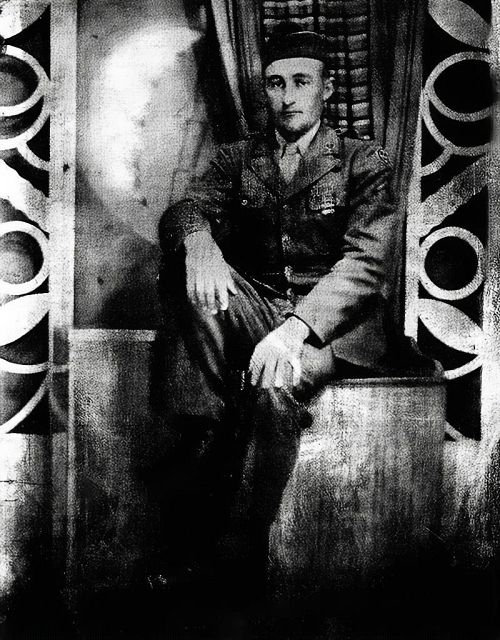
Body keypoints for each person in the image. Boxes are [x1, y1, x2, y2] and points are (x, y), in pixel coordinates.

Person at [155, 26, 402, 622]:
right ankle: (213, 414)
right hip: (257, 308)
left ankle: (236, 557)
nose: (287, 97)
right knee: (187, 270)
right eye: (275, 84)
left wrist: (295, 330)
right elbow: (184, 207)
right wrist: (200, 242)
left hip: (333, 325)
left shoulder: (363, 160)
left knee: (272, 386)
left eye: (301, 82)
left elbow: (367, 265)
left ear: (327, 88)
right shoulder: (238, 158)